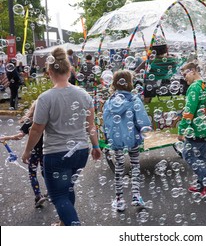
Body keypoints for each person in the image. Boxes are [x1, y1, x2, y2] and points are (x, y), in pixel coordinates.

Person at [21, 47, 102, 226]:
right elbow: (91, 125)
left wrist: (27, 151)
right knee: (68, 188)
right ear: (69, 70)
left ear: (49, 72)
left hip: (57, 154)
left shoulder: (45, 98)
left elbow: (36, 129)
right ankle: (63, 223)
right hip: (80, 152)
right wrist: (96, 146)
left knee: (58, 195)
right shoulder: (84, 95)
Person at [103, 69, 151, 211]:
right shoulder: (134, 99)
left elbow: (106, 122)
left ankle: (119, 200)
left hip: (116, 140)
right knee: (135, 165)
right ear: (130, 83)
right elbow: (142, 120)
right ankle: (136, 196)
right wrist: (145, 129)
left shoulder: (109, 101)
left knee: (118, 168)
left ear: (114, 83)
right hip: (133, 138)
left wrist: (108, 137)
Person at [178, 62, 206, 198]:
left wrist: (182, 129)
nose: (184, 78)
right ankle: (202, 184)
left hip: (197, 129)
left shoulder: (194, 87)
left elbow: (189, 111)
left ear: (194, 71)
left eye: (185, 74)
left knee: (188, 154)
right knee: (201, 157)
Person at [0, 101, 47, 208]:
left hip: (34, 152)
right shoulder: (47, 120)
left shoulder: (30, 122)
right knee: (46, 173)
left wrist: (5, 138)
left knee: (32, 173)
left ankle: (38, 196)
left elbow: (19, 136)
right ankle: (51, 192)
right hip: (47, 152)